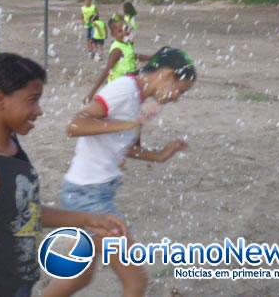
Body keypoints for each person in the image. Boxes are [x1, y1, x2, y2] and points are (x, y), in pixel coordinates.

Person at [0, 53, 127, 297]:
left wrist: (89, 219)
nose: (39, 110)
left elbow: (24, 210)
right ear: (0, 99)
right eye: (32, 100)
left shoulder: (12, 147)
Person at [45, 47, 197, 297]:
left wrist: (160, 155)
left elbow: (123, 148)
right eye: (180, 90)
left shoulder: (138, 99)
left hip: (89, 192)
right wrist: (129, 123)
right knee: (136, 281)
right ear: (167, 75)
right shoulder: (124, 90)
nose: (177, 98)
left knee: (78, 278)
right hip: (88, 197)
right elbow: (75, 125)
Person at [83, 14, 151, 104]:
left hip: (127, 85)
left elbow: (133, 56)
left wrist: (151, 57)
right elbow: (107, 71)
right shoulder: (117, 50)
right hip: (117, 88)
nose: (124, 33)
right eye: (119, 31)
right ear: (113, 34)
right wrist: (91, 94)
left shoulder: (127, 44)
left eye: (125, 29)